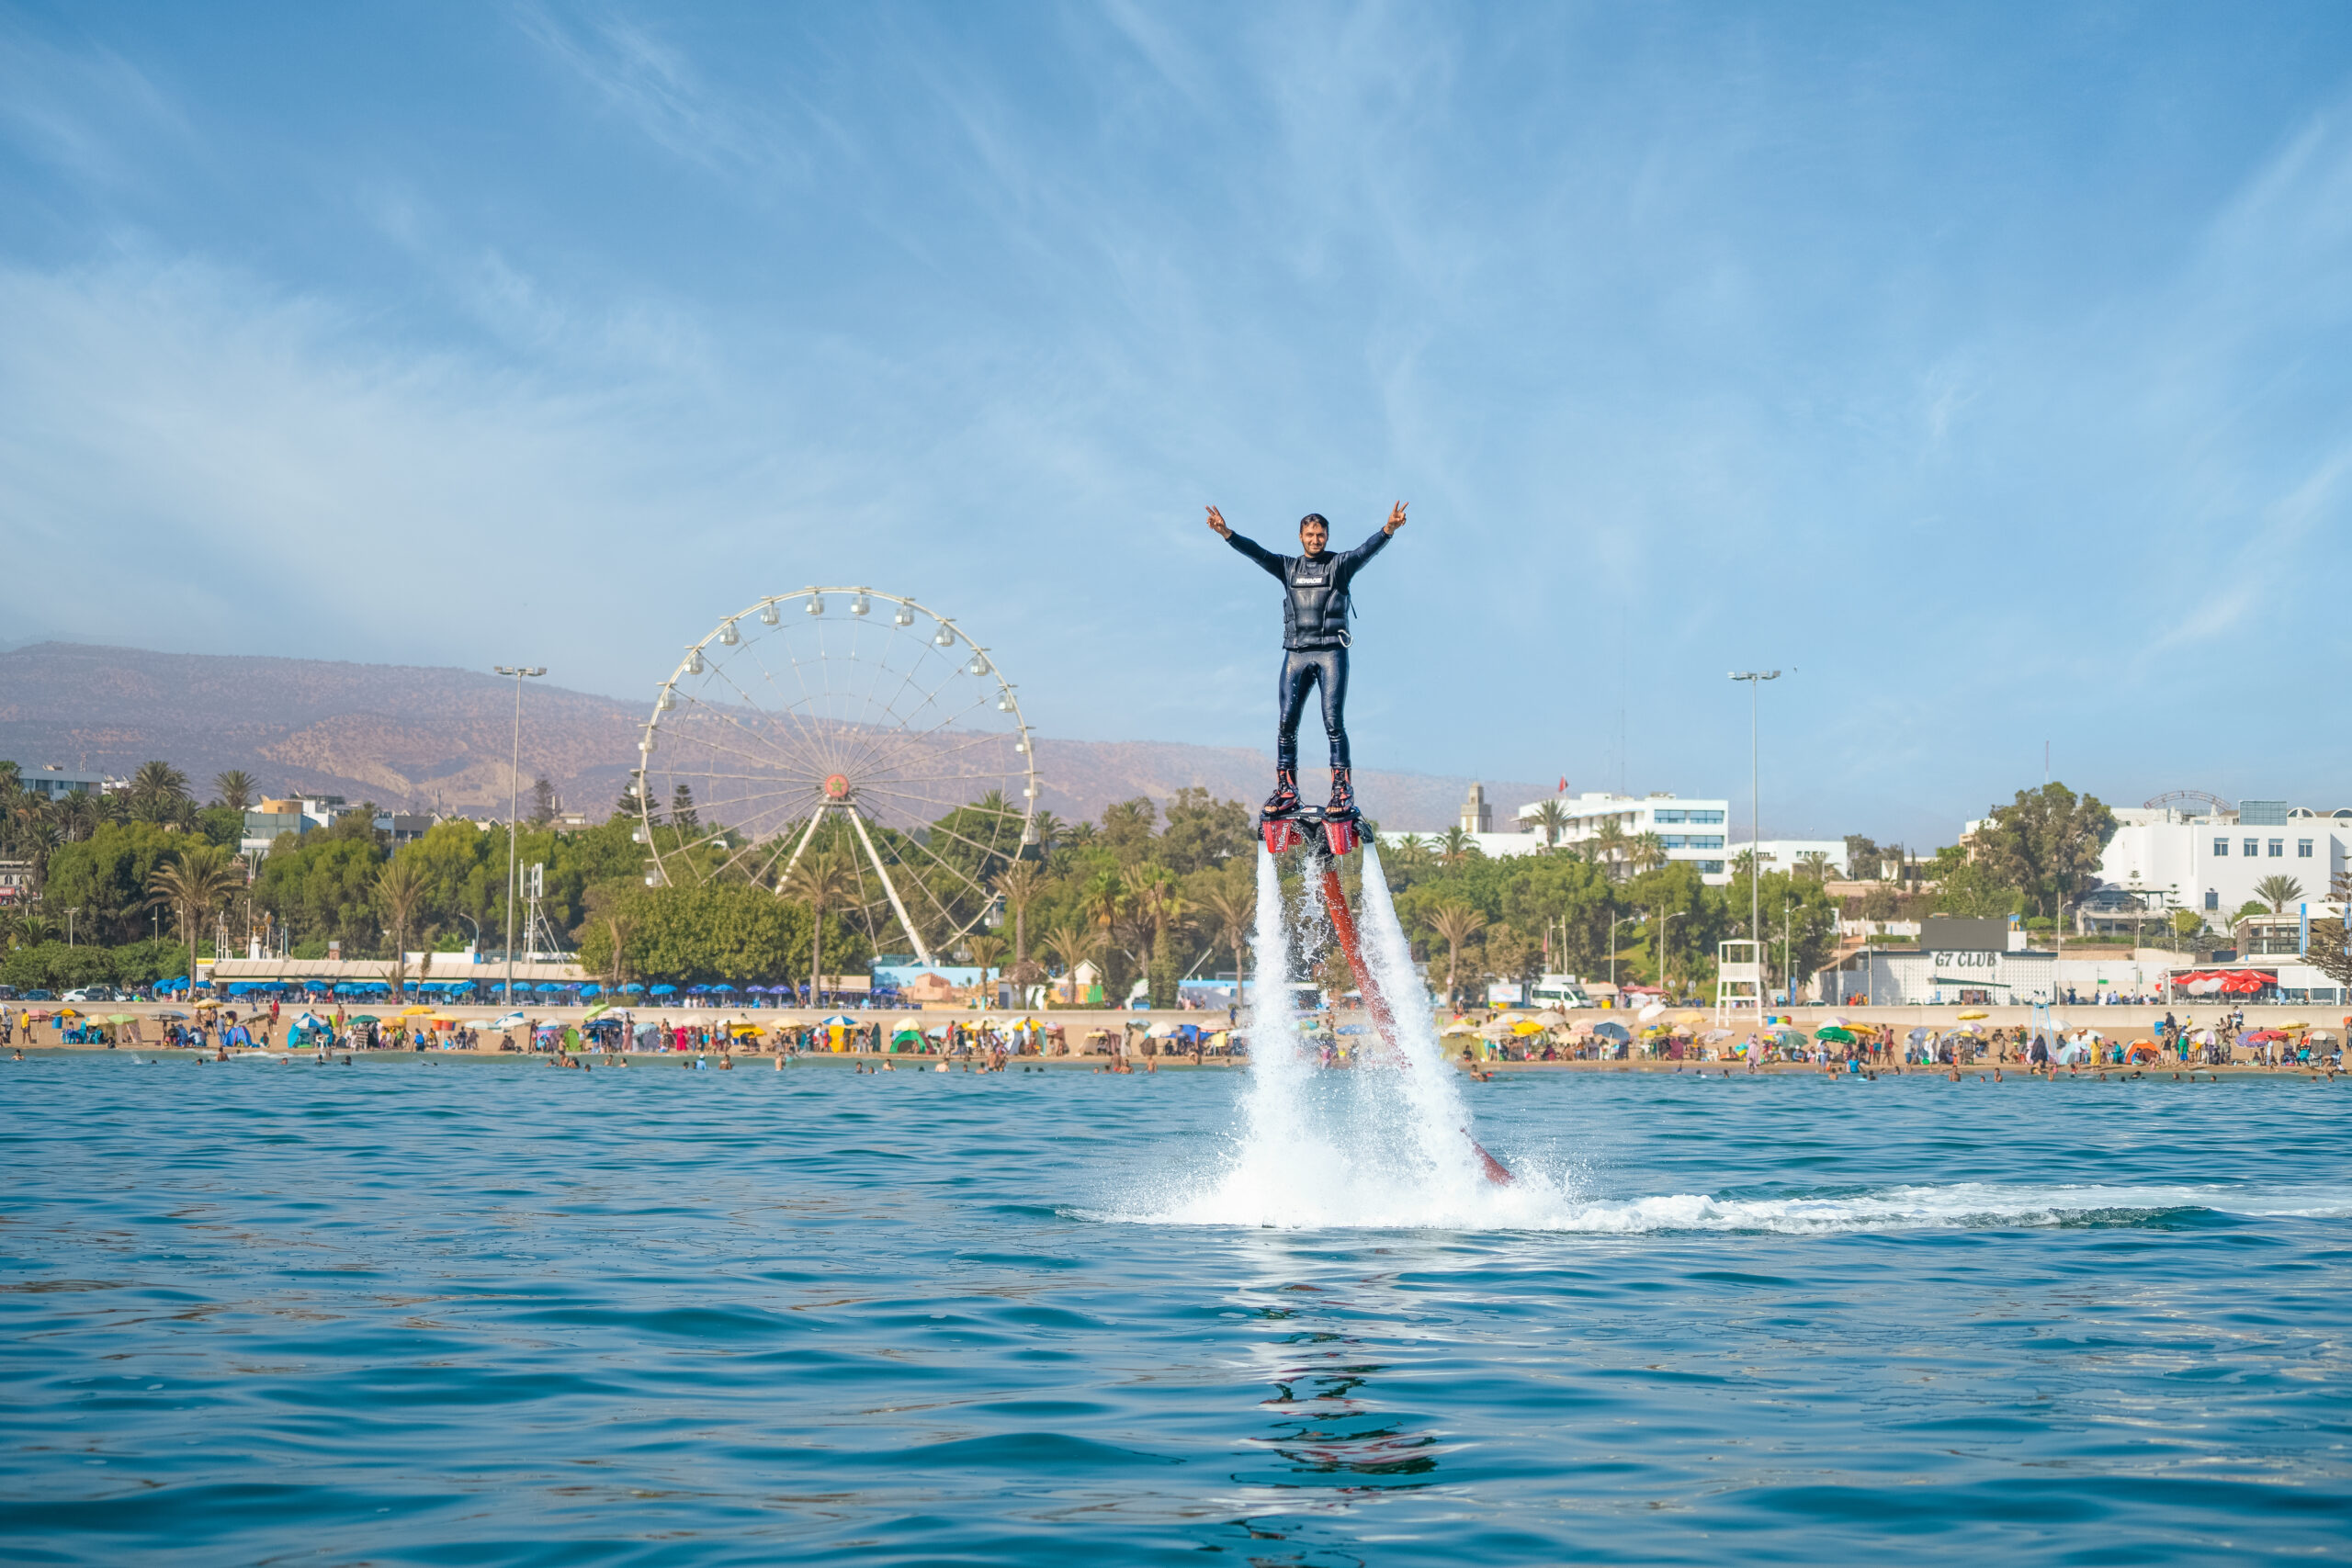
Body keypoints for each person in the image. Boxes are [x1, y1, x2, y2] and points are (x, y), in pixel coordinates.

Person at [1205, 501, 1410, 818]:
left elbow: (1364, 552)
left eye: (1321, 535)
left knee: (1333, 723)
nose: (1316, 540)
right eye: (1310, 534)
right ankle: (1287, 790)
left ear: (1327, 536)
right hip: (1297, 654)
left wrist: (1388, 530)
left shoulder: (1339, 565)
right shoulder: (1288, 568)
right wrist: (1227, 534)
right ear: (1300, 536)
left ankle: (1342, 790)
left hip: (1331, 652)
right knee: (1286, 723)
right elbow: (1258, 553)